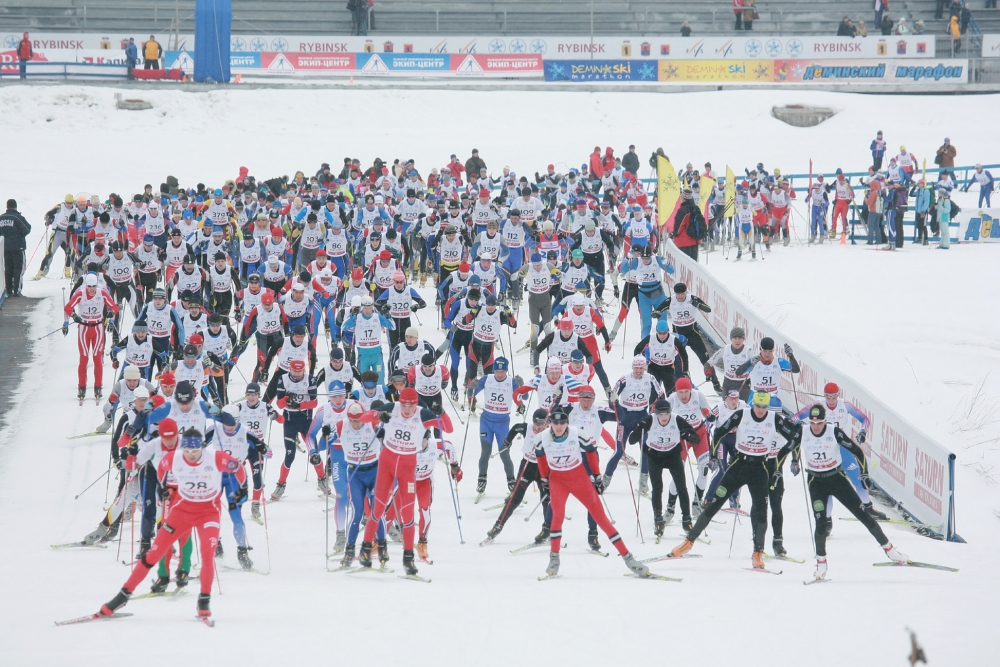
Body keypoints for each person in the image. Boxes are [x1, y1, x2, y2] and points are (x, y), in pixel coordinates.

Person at [98, 428, 246, 622]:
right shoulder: (173, 458)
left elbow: (238, 468)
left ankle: (203, 602)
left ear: (202, 447)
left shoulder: (215, 457)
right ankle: (123, 596)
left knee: (207, 554)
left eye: (195, 451)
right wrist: (163, 486)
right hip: (182, 510)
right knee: (153, 553)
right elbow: (161, 469)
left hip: (208, 512)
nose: (191, 456)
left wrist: (242, 489)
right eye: (187, 451)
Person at [775, 404, 908, 581]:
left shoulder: (834, 432)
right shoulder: (803, 432)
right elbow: (783, 451)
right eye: (813, 423)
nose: (815, 426)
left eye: (819, 423)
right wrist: (780, 469)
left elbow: (857, 451)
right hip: (816, 482)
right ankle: (821, 565)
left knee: (863, 515)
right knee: (820, 523)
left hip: (836, 479)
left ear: (825, 421)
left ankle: (890, 550)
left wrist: (865, 473)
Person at [671, 391, 794, 568]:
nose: (761, 410)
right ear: (752, 405)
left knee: (760, 509)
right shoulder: (742, 414)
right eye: (758, 406)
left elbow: (795, 437)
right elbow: (720, 431)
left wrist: (787, 459)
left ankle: (758, 551)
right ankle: (688, 542)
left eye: (764, 406)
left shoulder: (774, 419)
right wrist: (713, 455)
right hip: (738, 465)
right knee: (715, 502)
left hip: (760, 468)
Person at [534, 407, 649, 578]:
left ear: (567, 423)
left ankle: (629, 559)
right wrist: (544, 479)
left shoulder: (577, 433)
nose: (559, 427)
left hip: (579, 478)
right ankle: (554, 558)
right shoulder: (541, 438)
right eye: (555, 423)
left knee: (601, 517)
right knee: (557, 516)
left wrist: (596, 476)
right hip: (558, 480)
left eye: (562, 423)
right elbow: (541, 460)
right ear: (550, 423)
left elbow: (591, 454)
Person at [357, 388, 453, 576]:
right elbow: (364, 418)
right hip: (387, 463)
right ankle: (365, 550)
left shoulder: (422, 414)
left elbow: (448, 429)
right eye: (405, 405)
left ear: (415, 404)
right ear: (400, 401)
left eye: (411, 405)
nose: (407, 410)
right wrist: (379, 414)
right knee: (378, 509)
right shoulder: (393, 407)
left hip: (408, 467)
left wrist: (441, 412)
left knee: (407, 514)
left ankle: (408, 558)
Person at [628, 399, 701, 538]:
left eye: (666, 414)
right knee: (657, 488)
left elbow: (696, 438)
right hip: (654, 456)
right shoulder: (650, 420)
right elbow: (631, 440)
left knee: (681, 487)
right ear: (656, 413)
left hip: (672, 455)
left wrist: (687, 435)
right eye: (660, 414)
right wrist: (640, 427)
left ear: (670, 412)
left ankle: (686, 520)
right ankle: (658, 519)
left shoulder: (677, 420)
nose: (663, 417)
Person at [0, 199, 31, 297]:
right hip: (18, 247)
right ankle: (16, 291)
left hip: (5, 247)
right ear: (15, 206)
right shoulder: (17, 217)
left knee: (8, 268)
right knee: (19, 268)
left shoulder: (1, 218)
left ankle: (8, 290)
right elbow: (27, 229)